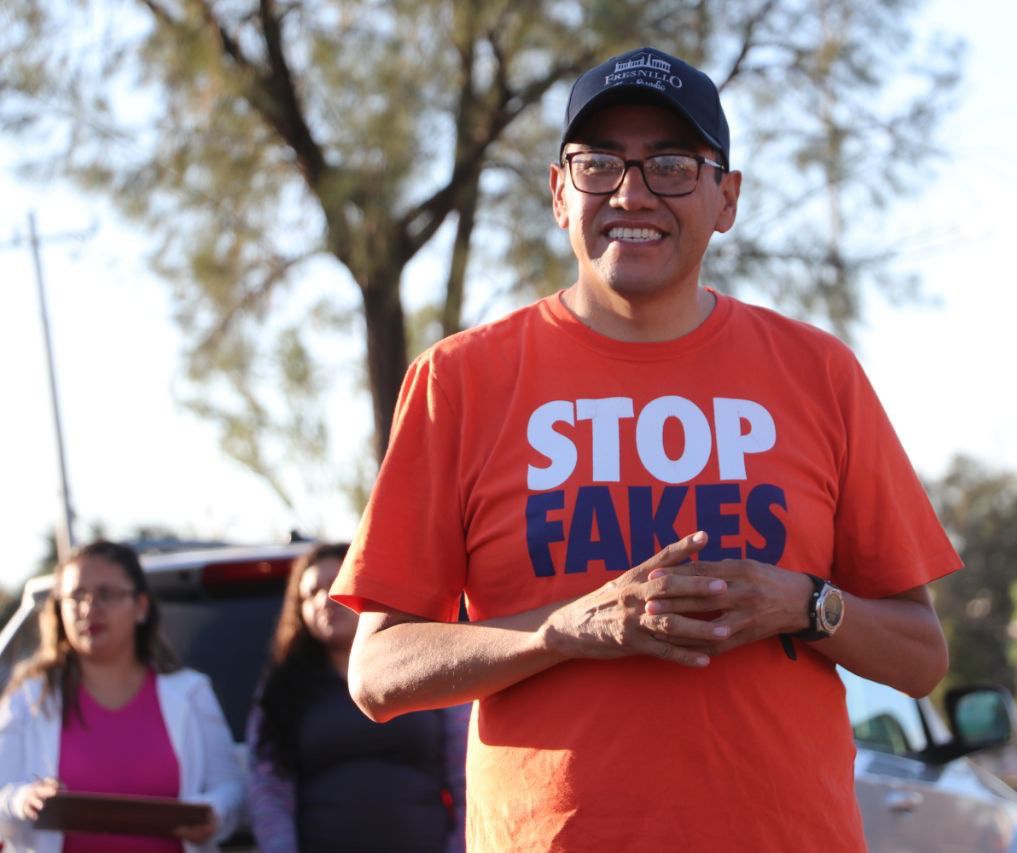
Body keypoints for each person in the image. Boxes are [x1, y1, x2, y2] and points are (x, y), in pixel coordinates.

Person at [333, 46, 962, 852]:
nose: (631, 192)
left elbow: (920, 656)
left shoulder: (819, 373)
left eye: (671, 163)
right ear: (560, 193)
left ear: (726, 197)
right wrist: (563, 629)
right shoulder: (458, 381)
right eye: (599, 163)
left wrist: (804, 604)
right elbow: (377, 671)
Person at [0, 540, 245, 853]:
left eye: (106, 594)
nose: (89, 608)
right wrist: (23, 800)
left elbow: (230, 789)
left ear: (141, 606)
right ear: (59, 609)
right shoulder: (28, 698)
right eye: (76, 596)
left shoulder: (191, 691)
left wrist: (214, 814)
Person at [246, 542, 466, 852]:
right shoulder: (281, 691)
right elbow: (268, 789)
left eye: (336, 587)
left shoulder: (424, 669)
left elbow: (465, 777)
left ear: (367, 589)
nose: (324, 601)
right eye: (310, 594)